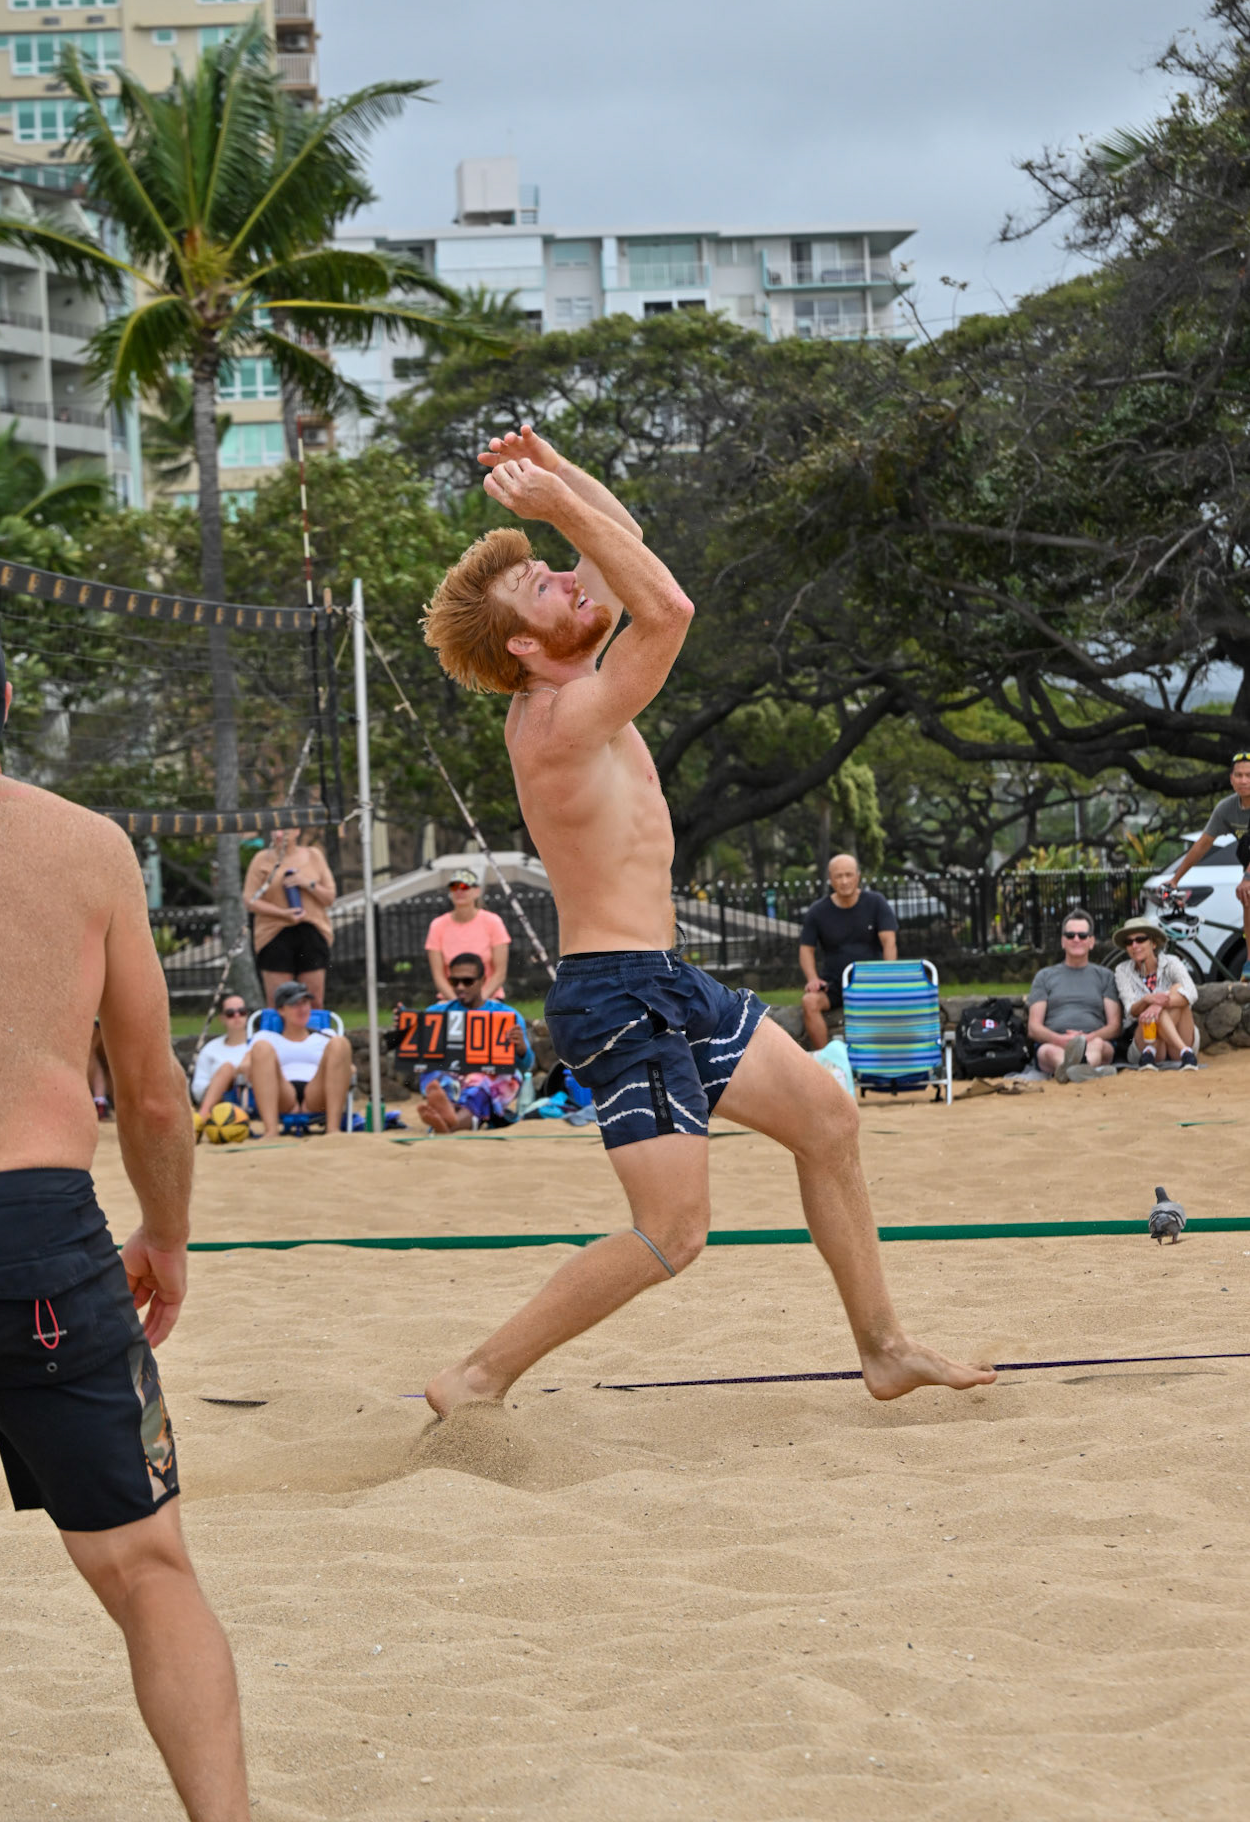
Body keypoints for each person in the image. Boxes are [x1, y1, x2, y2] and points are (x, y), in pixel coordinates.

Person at [419, 422, 994, 1418]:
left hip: (666, 979)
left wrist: (557, 473)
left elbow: (623, 539)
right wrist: (554, 505)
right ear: (523, 644)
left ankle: (886, 1347)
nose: (567, 577)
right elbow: (668, 601)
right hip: (617, 997)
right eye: (545, 585)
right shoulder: (559, 719)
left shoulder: (578, 678)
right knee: (674, 1232)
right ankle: (475, 1377)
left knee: (829, 1120)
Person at [0, 583, 248, 1822]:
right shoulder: (86, 845)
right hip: (37, 1233)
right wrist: (170, 1237)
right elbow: (152, 1094)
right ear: (1, 704)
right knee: (150, 1567)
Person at [417, 952, 531, 1132]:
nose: (460, 987)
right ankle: (450, 1120)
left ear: (483, 980)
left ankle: (447, 1124)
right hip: (453, 1076)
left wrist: (521, 1048)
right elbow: (419, 1055)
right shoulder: (436, 1014)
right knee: (436, 1075)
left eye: (467, 981)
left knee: (483, 1081)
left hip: (489, 1076)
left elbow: (525, 1066)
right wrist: (404, 1032)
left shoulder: (508, 1015)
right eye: (454, 982)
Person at [798, 855, 899, 1049]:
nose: (844, 881)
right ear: (830, 879)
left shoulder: (876, 902)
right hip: (835, 985)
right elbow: (806, 950)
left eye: (848, 875)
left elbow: (889, 942)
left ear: (858, 876)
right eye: (838, 876)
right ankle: (826, 1062)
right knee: (809, 1002)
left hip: (872, 982)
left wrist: (888, 975)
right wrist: (812, 979)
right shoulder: (817, 911)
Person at [1165, 750, 1250, 975]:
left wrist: (1248, 878)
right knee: (1247, 899)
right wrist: (1175, 879)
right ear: (1231, 779)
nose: (1244, 781)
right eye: (1239, 775)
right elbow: (1202, 844)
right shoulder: (1226, 808)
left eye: (1249, 775)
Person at [241, 980, 352, 1138]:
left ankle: (333, 1130)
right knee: (261, 1048)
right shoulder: (265, 1036)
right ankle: (271, 1131)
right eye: (295, 1004)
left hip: (317, 1092)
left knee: (339, 1043)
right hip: (281, 1093)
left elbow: (349, 1068)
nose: (302, 1009)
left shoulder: (326, 1035)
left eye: (305, 1003)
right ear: (281, 1010)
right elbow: (243, 1065)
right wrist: (251, 1065)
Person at [242, 827, 335, 1009]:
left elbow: (330, 897)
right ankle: (277, 1037)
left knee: (314, 999)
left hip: (311, 930)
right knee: (279, 1002)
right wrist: (283, 914)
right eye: (274, 830)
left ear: (297, 831)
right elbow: (250, 900)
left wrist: (306, 883)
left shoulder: (314, 856)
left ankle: (314, 1036)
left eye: (283, 830)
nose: (278, 835)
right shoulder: (262, 859)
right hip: (274, 933)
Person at [1026, 910, 1123, 1078]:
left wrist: (1087, 1038)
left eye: (1082, 935)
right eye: (1070, 935)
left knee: (1099, 1045)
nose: (1076, 939)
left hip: (1094, 1042)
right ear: (1063, 941)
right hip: (1054, 1044)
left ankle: (1072, 1070)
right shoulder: (1044, 976)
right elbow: (1034, 1028)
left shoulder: (1105, 976)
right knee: (1047, 1050)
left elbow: (1114, 1027)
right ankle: (1080, 1070)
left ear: (1091, 942)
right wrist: (1060, 1040)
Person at [1111, 916, 1199, 1069]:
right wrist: (1147, 1001)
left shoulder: (1171, 962)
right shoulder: (1122, 970)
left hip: (1175, 1040)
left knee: (1178, 989)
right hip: (1145, 1041)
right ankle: (1185, 1052)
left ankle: (1182, 1051)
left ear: (1153, 943)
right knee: (1170, 997)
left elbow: (1192, 993)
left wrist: (1158, 1005)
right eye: (1129, 942)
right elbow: (1130, 1010)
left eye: (1140, 939)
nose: (1134, 945)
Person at [425, 867, 511, 999]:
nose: (459, 891)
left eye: (465, 886)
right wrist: (457, 1002)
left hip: (489, 998)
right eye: (454, 887)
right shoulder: (437, 925)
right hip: (450, 999)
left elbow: (500, 973)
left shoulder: (493, 922)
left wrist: (480, 1001)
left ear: (477, 891)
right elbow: (438, 976)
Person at [191, 995, 252, 1118]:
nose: (237, 1016)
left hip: (253, 1095)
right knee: (227, 1068)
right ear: (222, 1018)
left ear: (247, 1015)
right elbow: (198, 1088)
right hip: (218, 1100)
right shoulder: (210, 1048)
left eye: (242, 1012)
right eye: (230, 1013)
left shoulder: (259, 1043)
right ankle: (202, 1116)